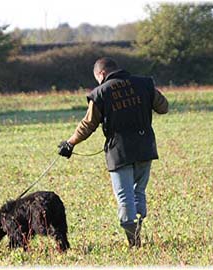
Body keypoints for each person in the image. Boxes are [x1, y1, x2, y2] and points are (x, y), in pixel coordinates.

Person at [58, 57, 168, 248]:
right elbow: (163, 107)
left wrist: (70, 143)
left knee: (125, 198)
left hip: (120, 152)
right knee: (138, 193)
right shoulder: (144, 83)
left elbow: (88, 124)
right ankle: (138, 231)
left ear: (101, 74)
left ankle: (134, 242)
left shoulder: (101, 92)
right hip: (145, 148)